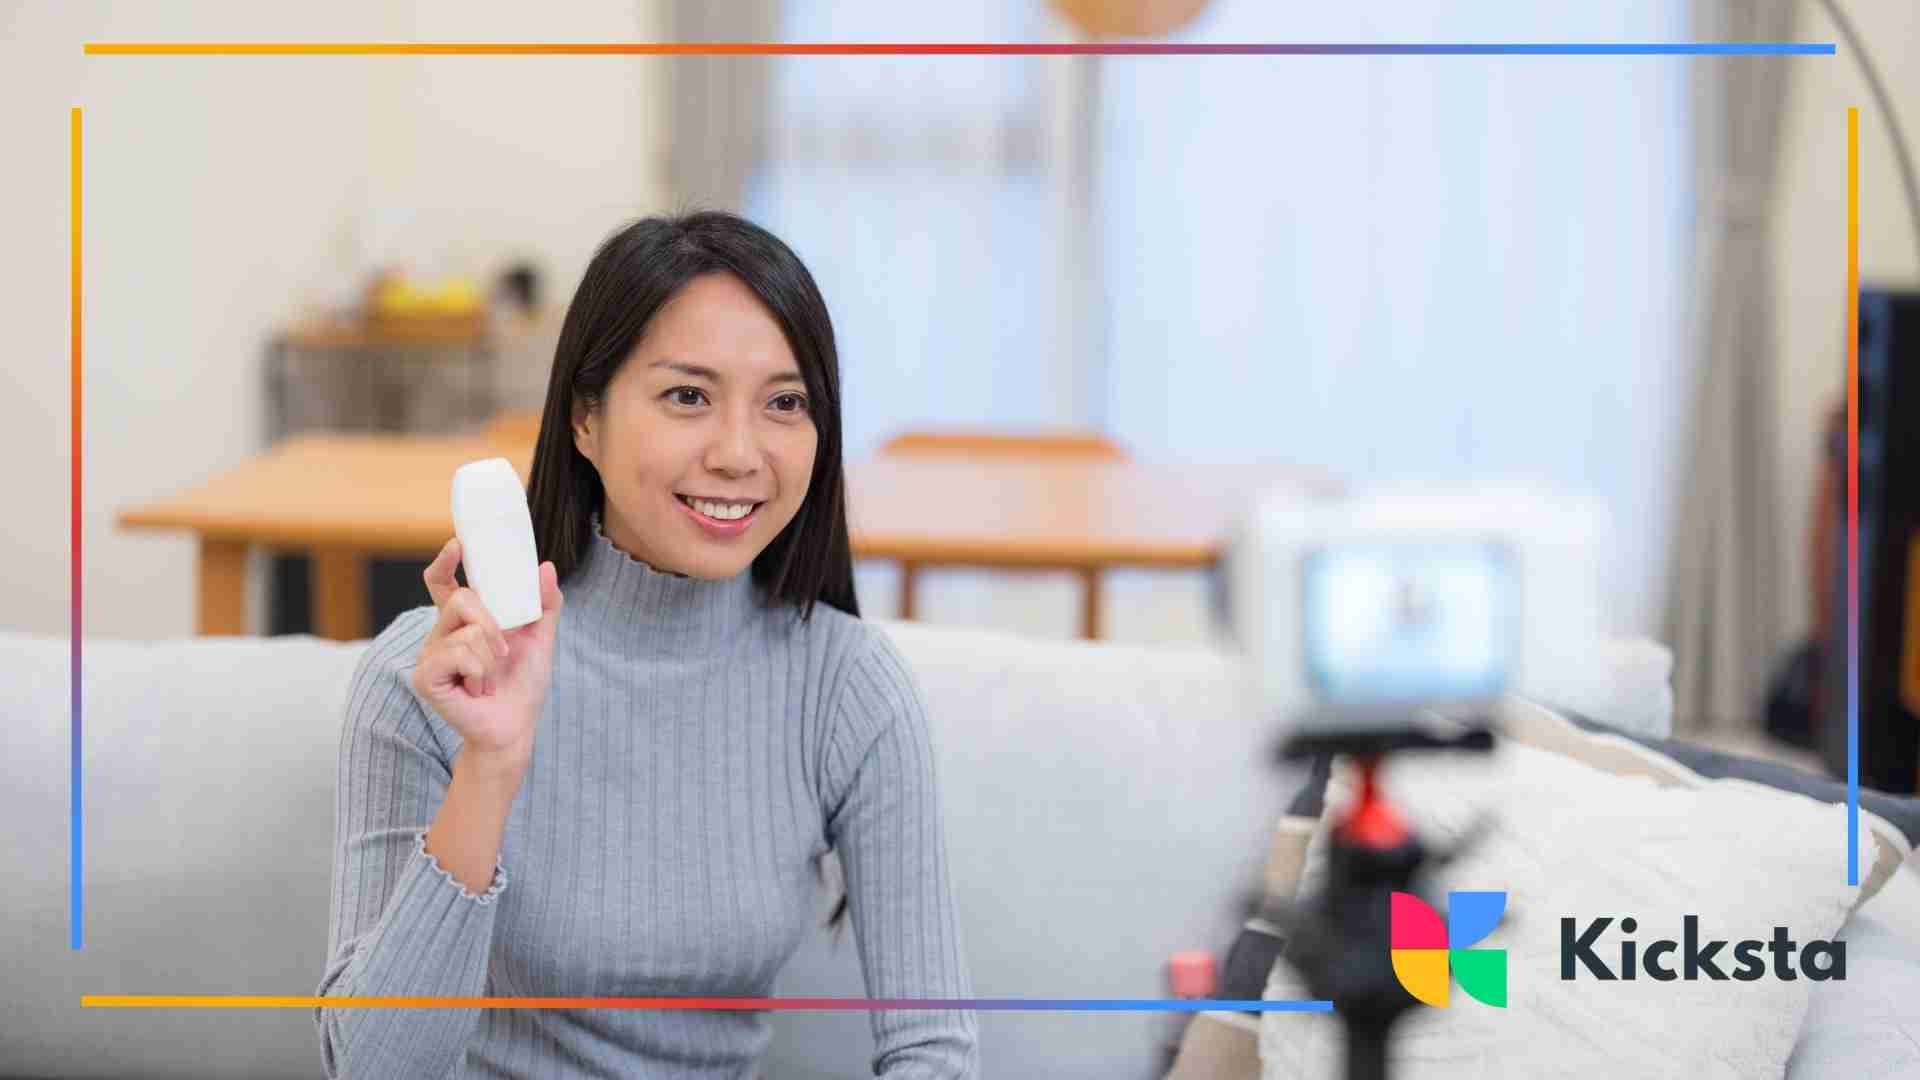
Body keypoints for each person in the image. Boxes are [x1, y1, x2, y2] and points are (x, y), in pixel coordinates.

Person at [315, 211, 978, 1078]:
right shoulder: (430, 678)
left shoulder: (846, 686)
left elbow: (934, 1051)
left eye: (785, 403)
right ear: (585, 420)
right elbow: (369, 1072)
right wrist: (491, 768)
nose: (740, 454)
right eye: (688, 396)